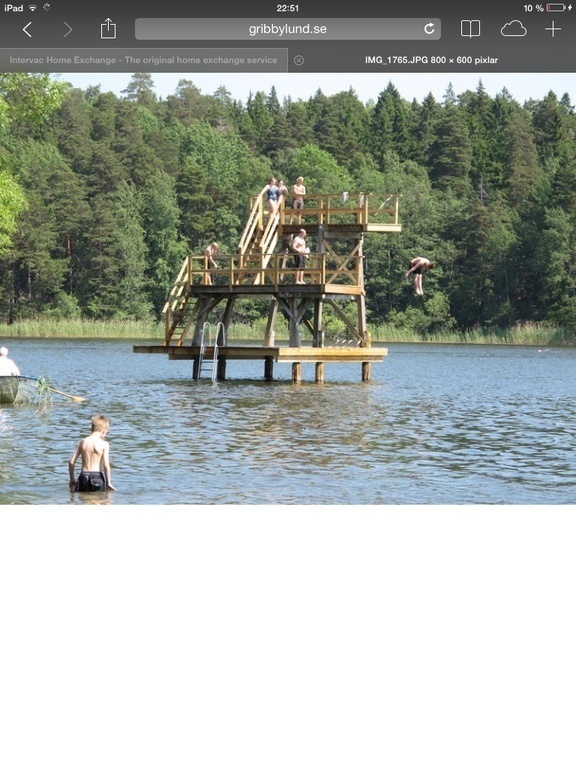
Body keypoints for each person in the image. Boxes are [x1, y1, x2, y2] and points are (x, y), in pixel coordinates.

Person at [69, 414, 116, 492]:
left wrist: (72, 479)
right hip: (97, 477)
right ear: (104, 431)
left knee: (84, 500)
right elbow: (106, 465)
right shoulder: (104, 444)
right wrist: (108, 483)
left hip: (83, 476)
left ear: (92, 429)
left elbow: (71, 462)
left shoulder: (83, 442)